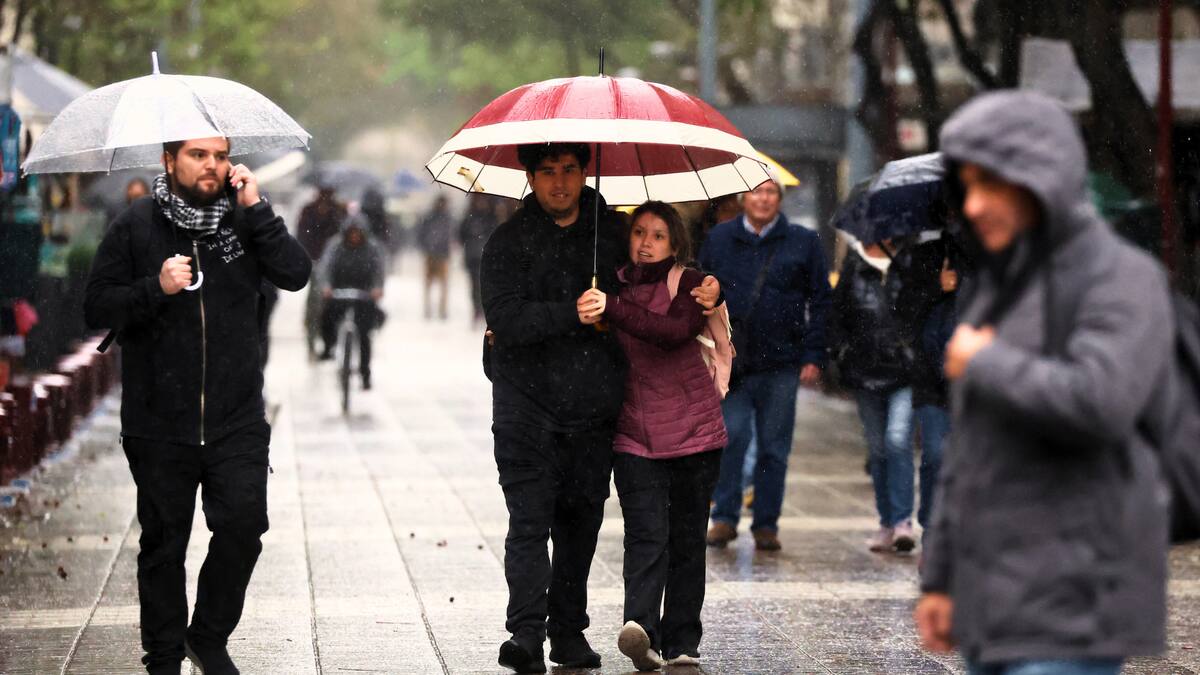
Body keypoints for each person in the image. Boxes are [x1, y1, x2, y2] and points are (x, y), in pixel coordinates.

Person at [914, 91, 1173, 675]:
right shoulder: (1000, 287)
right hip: (994, 597)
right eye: (968, 187)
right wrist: (941, 577)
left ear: (1041, 179)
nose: (976, 206)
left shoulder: (1121, 277)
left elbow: (1103, 402)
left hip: (1076, 600)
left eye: (993, 185)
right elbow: (969, 451)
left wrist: (987, 362)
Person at [481, 142, 719, 674]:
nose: (559, 183)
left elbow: (662, 271)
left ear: (584, 171)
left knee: (579, 524)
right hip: (524, 407)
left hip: (593, 410)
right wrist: (573, 315)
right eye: (547, 173)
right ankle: (524, 632)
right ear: (531, 177)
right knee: (528, 521)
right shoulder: (506, 242)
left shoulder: (612, 233)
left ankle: (568, 632)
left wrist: (709, 286)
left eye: (568, 170)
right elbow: (507, 320)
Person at [84, 136, 311, 675]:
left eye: (219, 155)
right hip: (158, 419)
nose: (212, 165)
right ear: (170, 161)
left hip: (237, 416)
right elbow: (96, 305)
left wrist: (258, 209)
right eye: (198, 155)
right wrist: (154, 287)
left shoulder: (243, 219)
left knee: (244, 525)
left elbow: (296, 273)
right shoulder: (137, 224)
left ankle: (207, 635)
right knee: (164, 547)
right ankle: (162, 658)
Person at [580, 201, 727, 671]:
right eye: (639, 232)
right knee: (645, 534)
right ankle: (641, 630)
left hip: (694, 433)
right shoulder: (611, 284)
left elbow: (673, 331)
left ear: (676, 243)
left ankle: (683, 639)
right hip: (634, 433)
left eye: (658, 235)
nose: (646, 243)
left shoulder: (690, 284)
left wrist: (614, 310)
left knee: (686, 539)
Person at [698, 176, 832, 552]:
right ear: (744, 197)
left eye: (771, 192)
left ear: (780, 199)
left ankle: (766, 523)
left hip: (782, 362)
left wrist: (813, 354)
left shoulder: (802, 242)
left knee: (774, 446)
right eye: (757, 191)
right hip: (734, 362)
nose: (763, 198)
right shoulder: (720, 239)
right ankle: (723, 517)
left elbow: (820, 301)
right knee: (731, 438)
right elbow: (700, 290)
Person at [831, 234, 938, 553]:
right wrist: (841, 353)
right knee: (877, 450)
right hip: (865, 371)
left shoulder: (912, 260)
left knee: (897, 439)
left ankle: (903, 520)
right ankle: (887, 521)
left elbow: (925, 307)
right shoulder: (855, 261)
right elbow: (838, 314)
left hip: (904, 370)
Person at [316, 215, 386, 389]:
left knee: (364, 334)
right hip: (338, 292)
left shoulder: (372, 248)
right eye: (352, 233)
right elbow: (326, 267)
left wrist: (377, 288)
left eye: (358, 233)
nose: (354, 237)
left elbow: (379, 269)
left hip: (363, 294)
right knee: (326, 318)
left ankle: (365, 372)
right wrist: (326, 287)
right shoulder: (335, 246)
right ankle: (328, 347)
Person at [297, 185, 347, 356]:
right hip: (313, 260)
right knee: (315, 304)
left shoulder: (339, 211)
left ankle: (328, 342)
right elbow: (302, 234)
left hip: (333, 264)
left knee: (328, 305)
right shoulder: (309, 210)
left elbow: (343, 235)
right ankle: (313, 339)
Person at [459, 192, 501, 324]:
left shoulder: (491, 217)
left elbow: (496, 234)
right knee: (474, 286)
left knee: (486, 286)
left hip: (487, 258)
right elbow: (460, 235)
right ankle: (477, 310)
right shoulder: (469, 216)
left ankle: (483, 309)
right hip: (473, 257)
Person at [417, 194, 453, 320]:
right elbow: (422, 233)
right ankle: (433, 309)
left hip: (439, 254)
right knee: (433, 284)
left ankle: (440, 309)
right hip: (433, 254)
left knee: (440, 285)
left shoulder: (443, 217)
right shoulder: (439, 217)